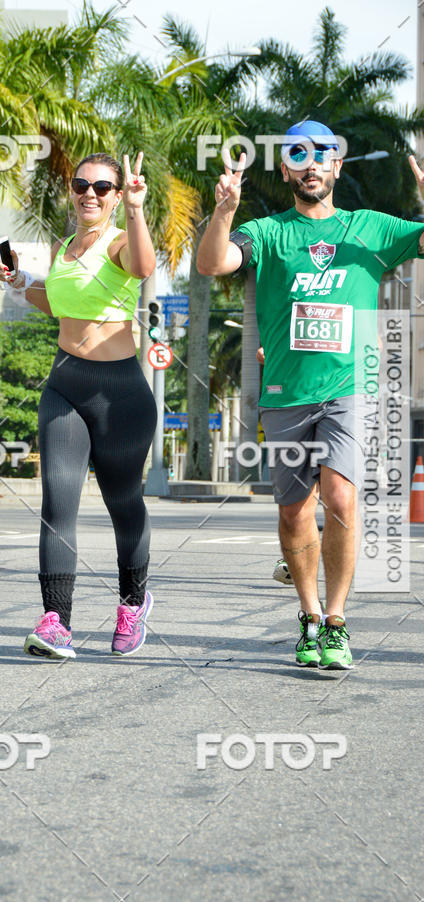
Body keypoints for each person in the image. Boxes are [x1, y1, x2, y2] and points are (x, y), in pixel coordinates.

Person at [197, 120, 424, 669]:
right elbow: (212, 263)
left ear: (337, 167)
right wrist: (225, 210)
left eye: (323, 155)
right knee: (296, 511)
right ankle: (310, 616)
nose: (312, 164)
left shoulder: (369, 228)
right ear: (286, 170)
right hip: (285, 394)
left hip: (351, 389)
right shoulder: (268, 232)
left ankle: (339, 621)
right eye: (299, 156)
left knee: (342, 500)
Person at [0, 152, 157, 660]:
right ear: (72, 188)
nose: (90, 193)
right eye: (82, 184)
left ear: (115, 194)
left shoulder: (120, 240)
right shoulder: (65, 246)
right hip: (65, 385)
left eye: (102, 187)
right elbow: (59, 303)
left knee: (122, 504)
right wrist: (19, 282)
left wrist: (135, 207)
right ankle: (56, 622)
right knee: (57, 504)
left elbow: (144, 265)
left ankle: (132, 602)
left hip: (121, 393)